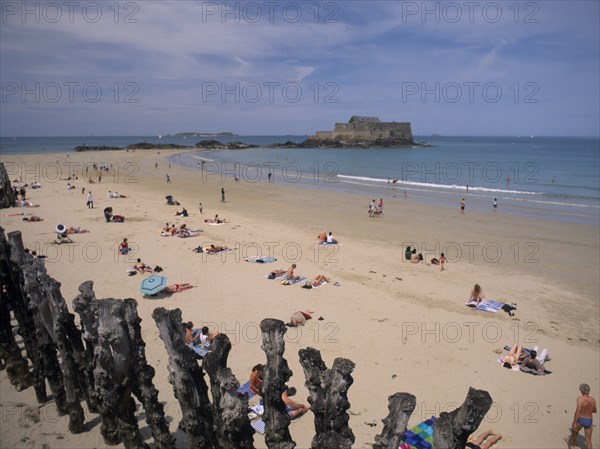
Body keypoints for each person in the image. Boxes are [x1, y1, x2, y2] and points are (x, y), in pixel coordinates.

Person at [569, 383, 597, 449]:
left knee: (574, 432)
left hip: (581, 419)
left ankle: (573, 444)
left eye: (580, 389)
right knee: (588, 441)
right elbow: (595, 410)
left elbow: (577, 411)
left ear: (582, 391)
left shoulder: (580, 399)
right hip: (589, 421)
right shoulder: (593, 400)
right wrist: (588, 409)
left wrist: (574, 422)